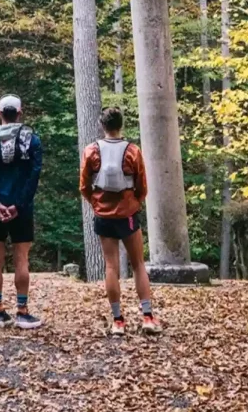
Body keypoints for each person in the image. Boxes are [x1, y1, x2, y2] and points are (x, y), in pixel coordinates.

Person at [79, 106, 162, 336]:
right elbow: (142, 185)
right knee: (138, 264)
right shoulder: (133, 151)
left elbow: (84, 186)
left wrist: (96, 204)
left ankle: (117, 320)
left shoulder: (91, 151)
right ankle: (147, 316)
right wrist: (134, 203)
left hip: (103, 216)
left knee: (111, 266)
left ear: (102, 125)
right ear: (121, 125)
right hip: (127, 215)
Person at [0, 94, 44, 329]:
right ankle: (22, 311)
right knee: (21, 259)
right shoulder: (32, 141)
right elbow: (33, 176)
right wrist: (19, 205)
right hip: (21, 209)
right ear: (20, 113)